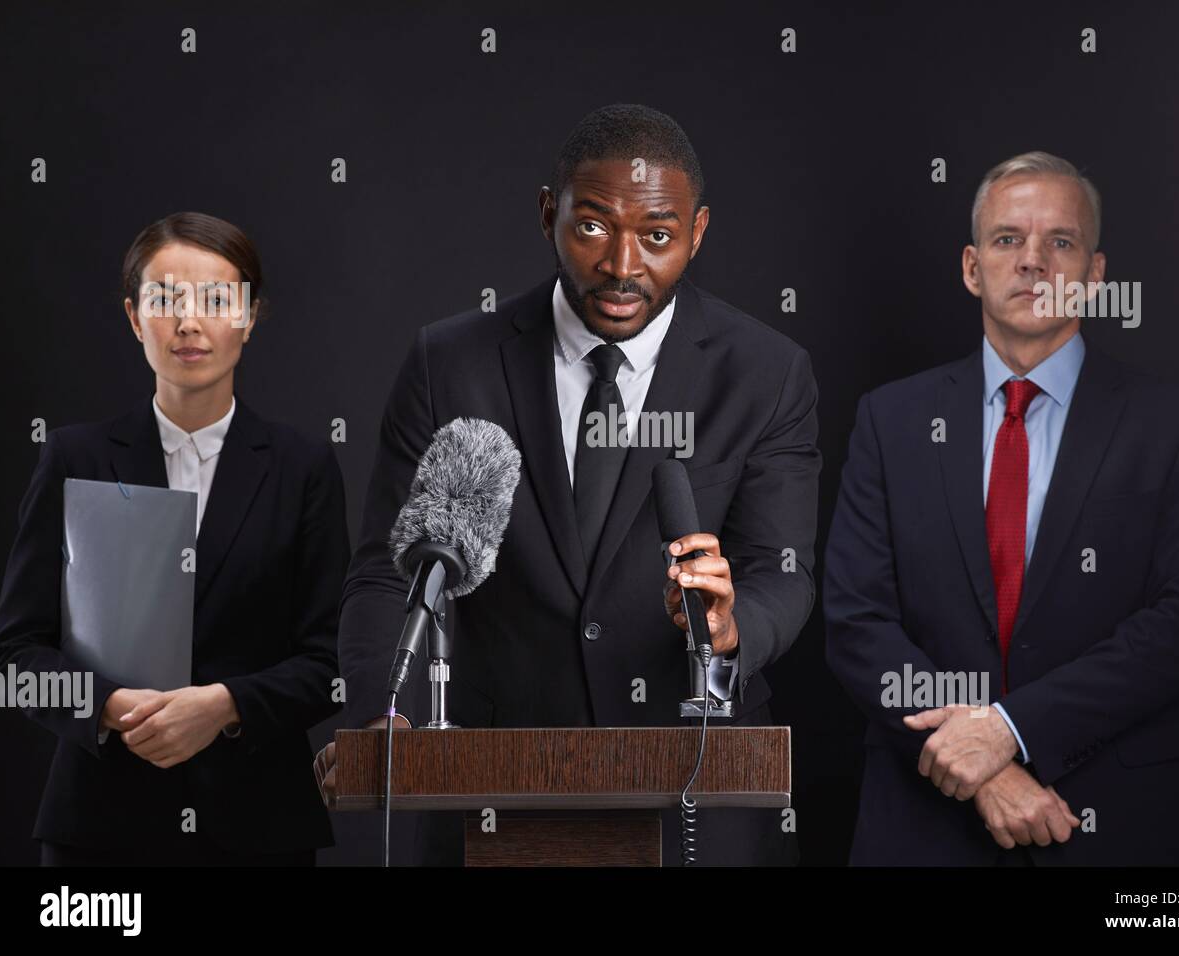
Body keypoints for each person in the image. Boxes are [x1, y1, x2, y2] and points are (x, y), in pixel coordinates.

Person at [318, 103, 821, 865]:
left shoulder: (768, 372)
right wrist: (386, 714)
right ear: (548, 214)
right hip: (485, 789)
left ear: (698, 232)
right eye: (593, 227)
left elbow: (784, 573)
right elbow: (390, 576)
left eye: (657, 236)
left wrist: (728, 626)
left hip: (695, 780)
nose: (623, 266)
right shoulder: (449, 361)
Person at [824, 152, 1179, 865]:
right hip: (924, 826)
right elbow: (858, 622)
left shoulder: (1178, 426)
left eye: (1061, 242)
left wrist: (1010, 730)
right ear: (971, 267)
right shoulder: (889, 420)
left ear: (1097, 274)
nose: (1034, 262)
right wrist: (981, 770)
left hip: (1116, 825)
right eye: (1008, 239)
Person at [0, 212, 349, 865]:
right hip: (98, 829)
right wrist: (109, 708)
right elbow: (12, 659)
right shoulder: (77, 456)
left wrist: (225, 706)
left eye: (216, 300)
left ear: (248, 317)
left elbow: (329, 665)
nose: (190, 321)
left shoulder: (303, 470)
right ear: (134, 318)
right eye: (165, 300)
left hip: (260, 828)